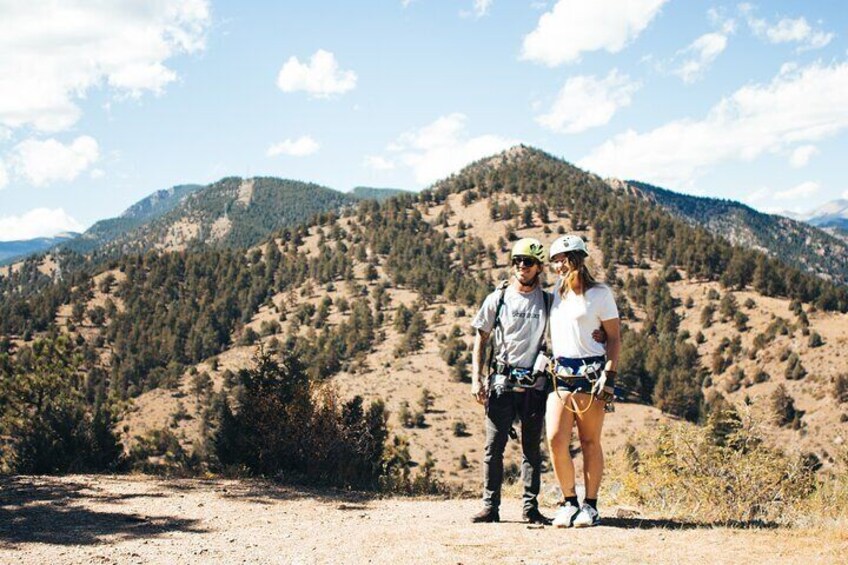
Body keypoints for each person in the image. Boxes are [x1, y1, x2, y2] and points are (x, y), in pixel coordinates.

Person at [469, 238, 552, 524]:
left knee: (531, 449)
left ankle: (530, 509)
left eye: (527, 262)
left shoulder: (549, 300)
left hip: (534, 386)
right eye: (517, 261)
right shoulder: (498, 298)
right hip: (501, 383)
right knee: (493, 449)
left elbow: (575, 321)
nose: (521, 266)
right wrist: (476, 379)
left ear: (538, 267)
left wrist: (600, 335)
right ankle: (490, 507)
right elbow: (480, 338)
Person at [545, 234, 621, 528]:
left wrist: (610, 376)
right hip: (561, 375)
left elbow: (613, 338)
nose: (558, 267)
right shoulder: (556, 293)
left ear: (576, 259)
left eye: (561, 260)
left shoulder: (601, 295)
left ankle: (590, 506)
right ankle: (568, 502)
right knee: (555, 439)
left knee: (590, 442)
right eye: (554, 262)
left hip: (591, 376)